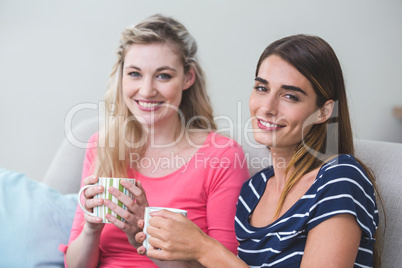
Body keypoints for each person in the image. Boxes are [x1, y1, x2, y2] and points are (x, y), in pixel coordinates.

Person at [136, 34, 382, 267]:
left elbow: (215, 257)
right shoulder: (254, 189)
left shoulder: (340, 178)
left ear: (323, 112)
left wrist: (204, 248)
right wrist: (150, 234)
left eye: (290, 96)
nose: (267, 107)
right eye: (262, 88)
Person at [61, 14, 249, 268]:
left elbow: (223, 264)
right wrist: (91, 228)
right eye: (135, 74)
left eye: (163, 76)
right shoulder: (101, 146)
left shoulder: (222, 156)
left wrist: (141, 233)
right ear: (122, 77)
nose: (147, 90)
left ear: (188, 77)